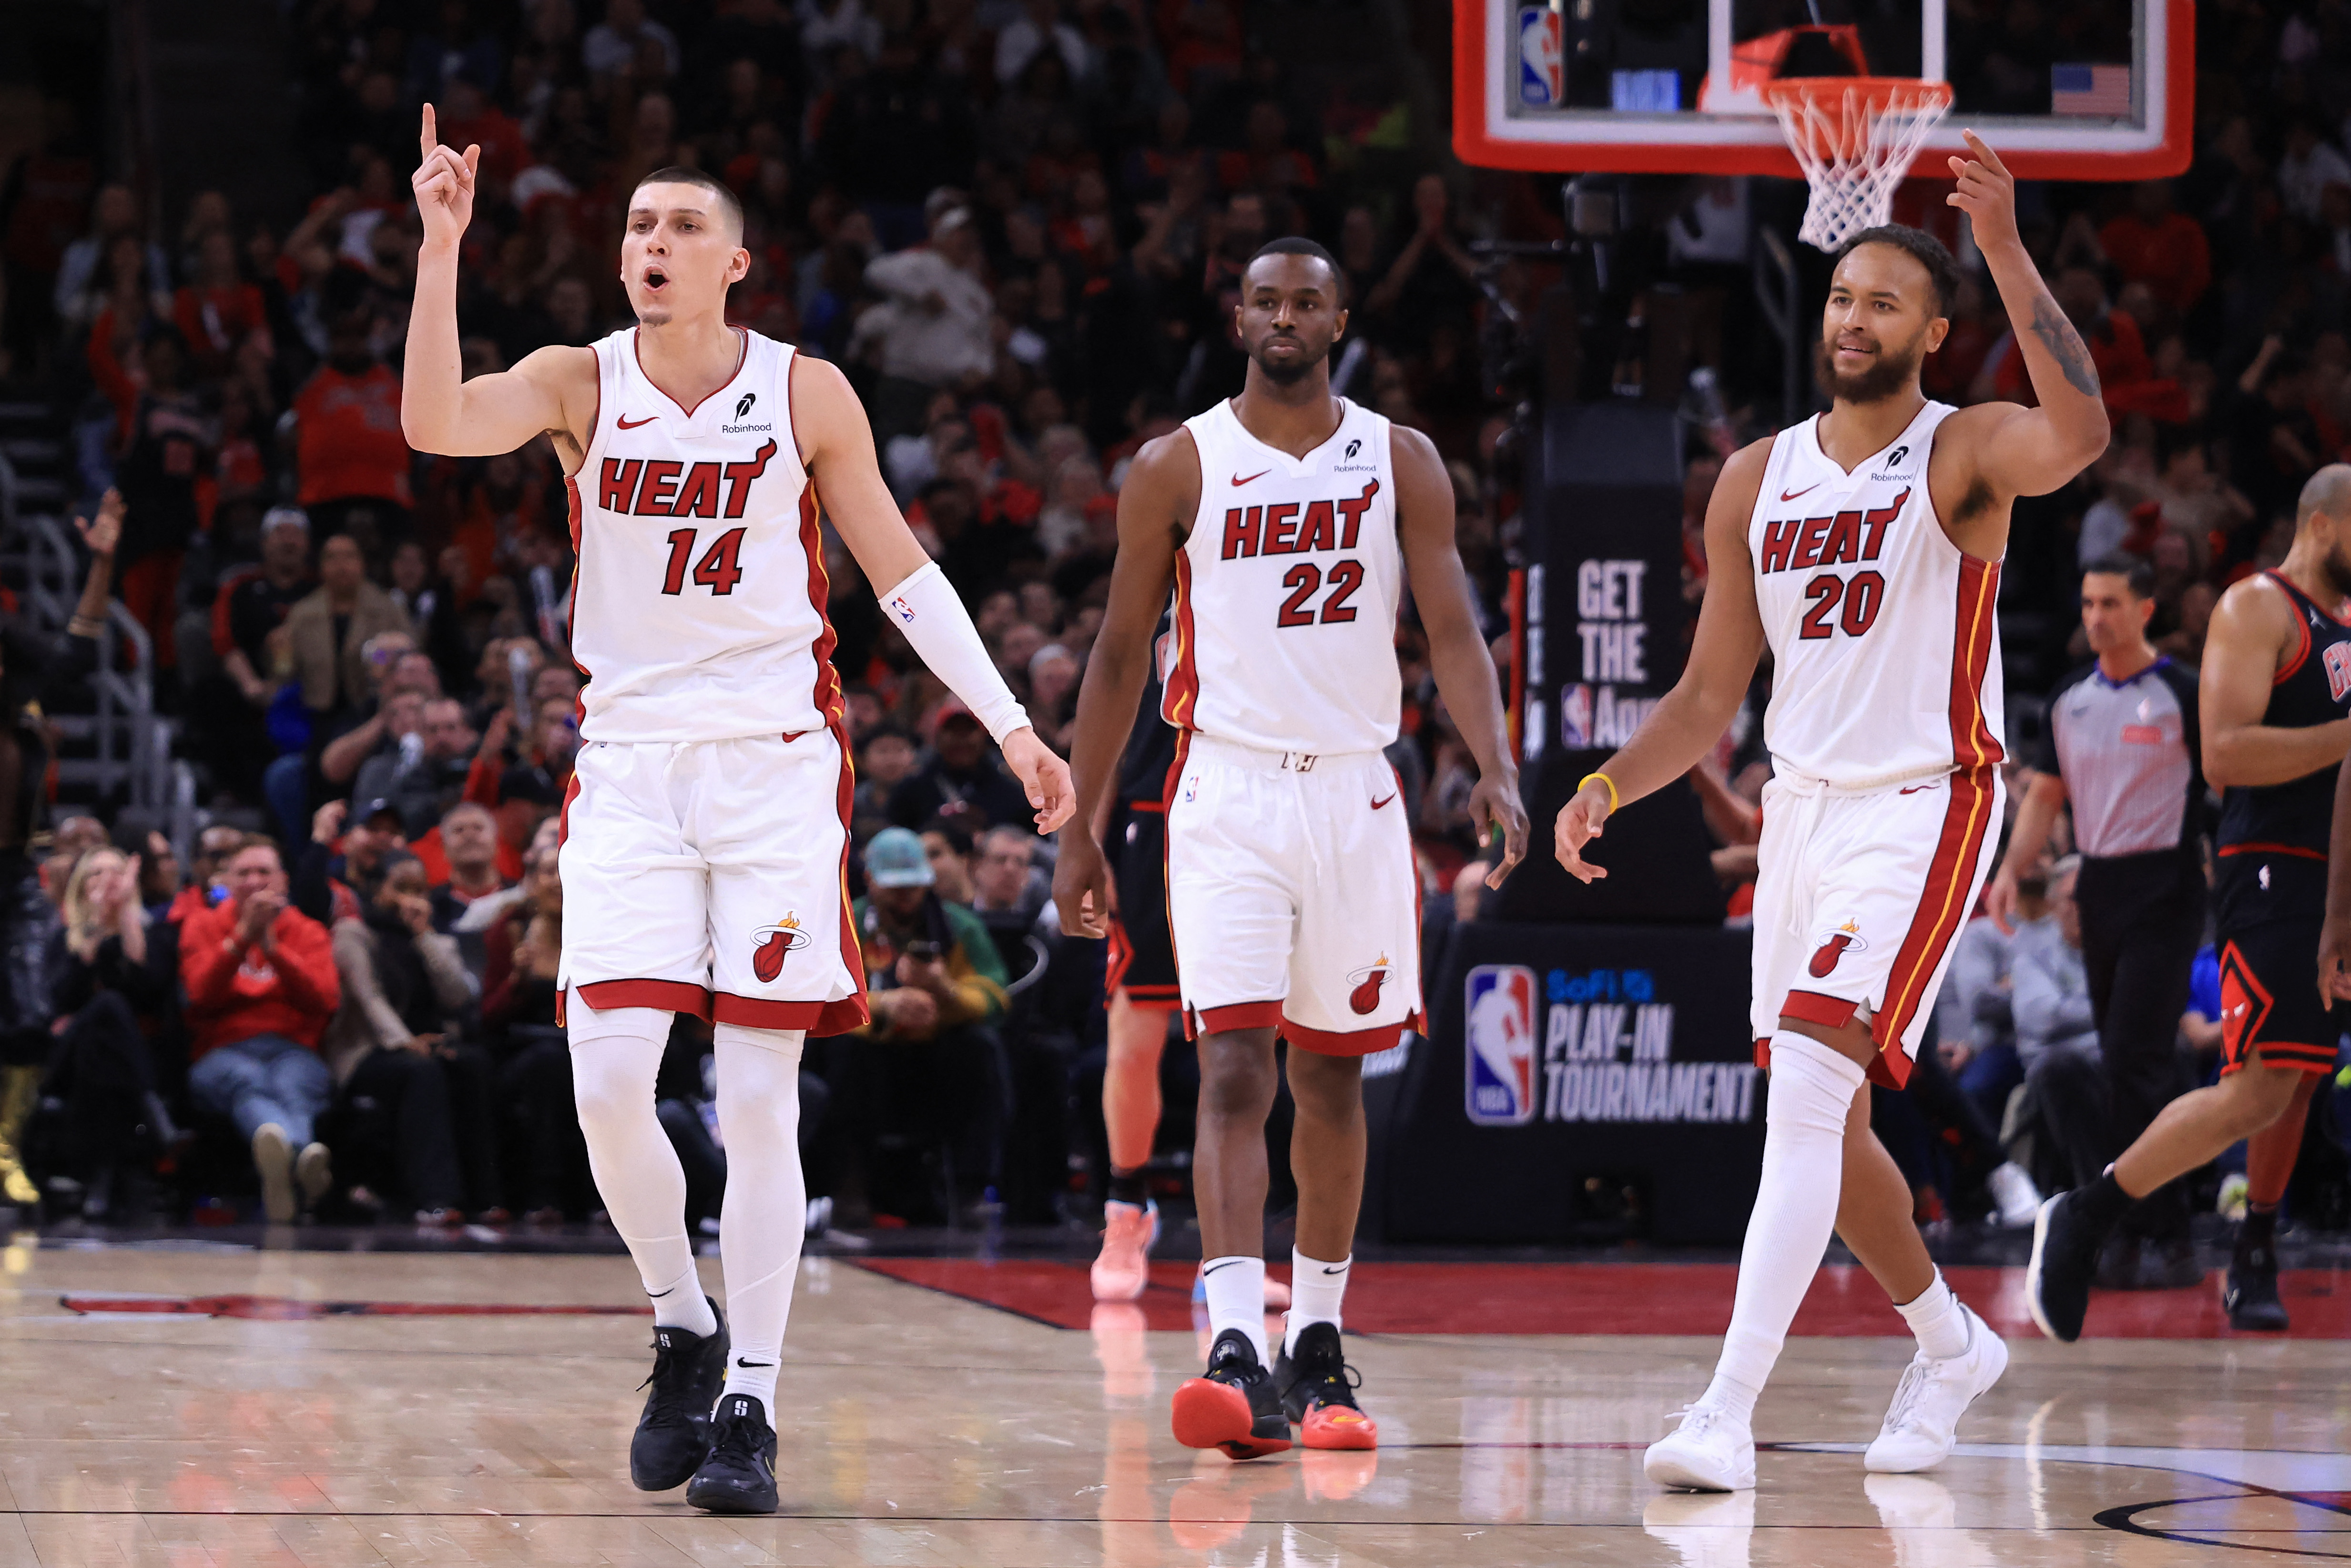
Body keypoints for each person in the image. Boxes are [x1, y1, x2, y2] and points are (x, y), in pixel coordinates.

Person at [401, 115, 1071, 1514]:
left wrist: (1011, 724)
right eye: (638, 226)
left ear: (737, 263)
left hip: (773, 775)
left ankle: (753, 1403)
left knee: (756, 1096)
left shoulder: (806, 393)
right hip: (633, 770)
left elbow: (900, 571)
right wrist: (442, 246)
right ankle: (682, 1318)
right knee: (604, 1082)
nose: (652, 244)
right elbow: (434, 422)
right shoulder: (578, 380)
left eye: (680, 226)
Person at [1554, 136, 2111, 1490]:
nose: (1851, 318)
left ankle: (1721, 1411)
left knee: (1806, 1095)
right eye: (1840, 297)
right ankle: (1949, 1342)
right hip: (1799, 811)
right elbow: (1704, 696)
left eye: (1881, 302)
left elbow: (2082, 434)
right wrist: (1605, 783)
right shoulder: (1754, 477)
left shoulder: (1965, 450)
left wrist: (2000, 245)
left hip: (1925, 802)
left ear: (1928, 331)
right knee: (1824, 1125)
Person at [1055, 234, 1527, 1460]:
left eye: (1304, 301)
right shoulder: (1177, 464)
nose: (1281, 317)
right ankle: (1228, 1341)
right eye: (1262, 299)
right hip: (1223, 793)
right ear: (1238, 320)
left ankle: (1313, 1340)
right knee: (1229, 1072)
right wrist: (1081, 824)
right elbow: (1116, 655)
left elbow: (1453, 629)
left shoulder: (1401, 459)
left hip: (1357, 800)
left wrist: (1494, 763)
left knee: (1328, 1080)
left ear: (1337, 319)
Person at [2038, 463, 2351, 1339]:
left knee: (2297, 1082)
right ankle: (2089, 1213)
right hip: (2268, 869)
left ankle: (2251, 1243)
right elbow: (2225, 756)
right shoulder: (2257, 607)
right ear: (2323, 525)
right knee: (2259, 1089)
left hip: (2334, 874)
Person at [1986, 554, 2206, 1286]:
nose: (2095, 617)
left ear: (2145, 609)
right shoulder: (2069, 699)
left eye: (2111, 603)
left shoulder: (2181, 692)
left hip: (2166, 881)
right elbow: (2045, 798)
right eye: (2087, 604)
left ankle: (2146, 1228)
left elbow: (2223, 783)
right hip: (2100, 881)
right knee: (2126, 1063)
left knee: (2134, 1059)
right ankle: (2150, 1225)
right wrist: (2012, 871)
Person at [179, 840, 343, 1223]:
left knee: (292, 1083)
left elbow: (325, 1001)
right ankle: (301, 1159)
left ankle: (281, 1165)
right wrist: (240, 940)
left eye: (264, 872)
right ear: (226, 881)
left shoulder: (309, 931)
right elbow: (199, 995)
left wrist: (274, 950)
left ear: (283, 881)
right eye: (244, 873)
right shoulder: (201, 926)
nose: (255, 881)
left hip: (294, 1049)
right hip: (221, 1051)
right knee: (247, 1078)